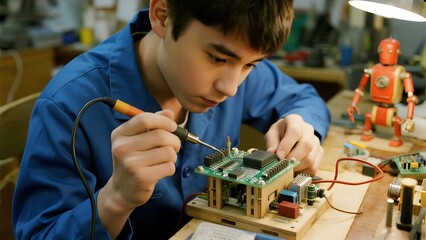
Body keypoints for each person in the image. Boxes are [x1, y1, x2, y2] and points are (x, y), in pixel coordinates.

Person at [13, 0, 330, 239]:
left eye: (252, 65)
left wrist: (302, 126)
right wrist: (114, 199)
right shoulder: (69, 104)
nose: (231, 88)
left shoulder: (234, 67)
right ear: (162, 16)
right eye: (217, 58)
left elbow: (302, 98)